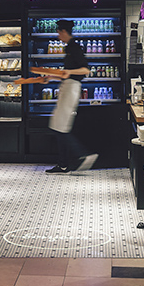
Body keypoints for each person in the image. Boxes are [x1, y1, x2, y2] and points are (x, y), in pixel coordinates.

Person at [45, 19, 98, 174]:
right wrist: (51, 77)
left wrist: (69, 72)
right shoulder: (69, 47)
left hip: (71, 89)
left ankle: (84, 155)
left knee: (60, 126)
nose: (57, 36)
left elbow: (85, 70)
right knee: (58, 126)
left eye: (58, 32)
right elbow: (67, 73)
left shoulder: (74, 47)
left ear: (63, 31)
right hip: (67, 87)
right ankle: (63, 164)